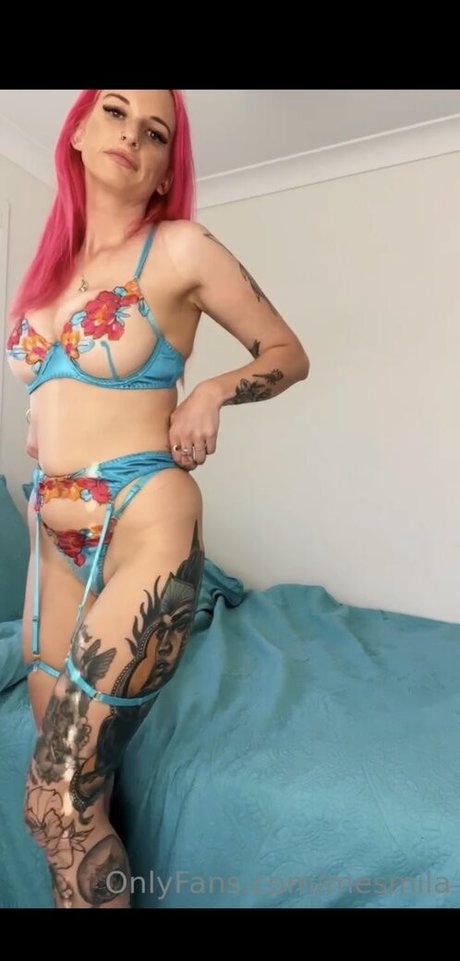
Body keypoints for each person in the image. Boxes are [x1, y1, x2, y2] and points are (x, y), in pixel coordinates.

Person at [5, 89, 310, 909]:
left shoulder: (179, 248)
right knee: (77, 807)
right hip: (52, 542)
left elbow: (288, 352)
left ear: (167, 169)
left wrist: (210, 391)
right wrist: (42, 425)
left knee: (51, 796)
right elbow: (52, 391)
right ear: (76, 130)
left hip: (144, 517)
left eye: (155, 132)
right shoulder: (42, 277)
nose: (131, 135)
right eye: (114, 111)